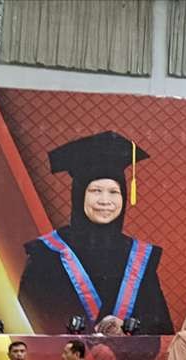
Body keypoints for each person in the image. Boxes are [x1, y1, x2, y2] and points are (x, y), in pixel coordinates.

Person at [18, 131, 172, 335]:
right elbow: (29, 321)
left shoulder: (139, 256)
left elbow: (160, 326)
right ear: (79, 196)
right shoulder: (47, 254)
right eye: (95, 191)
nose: (105, 201)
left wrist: (127, 328)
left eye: (114, 192)